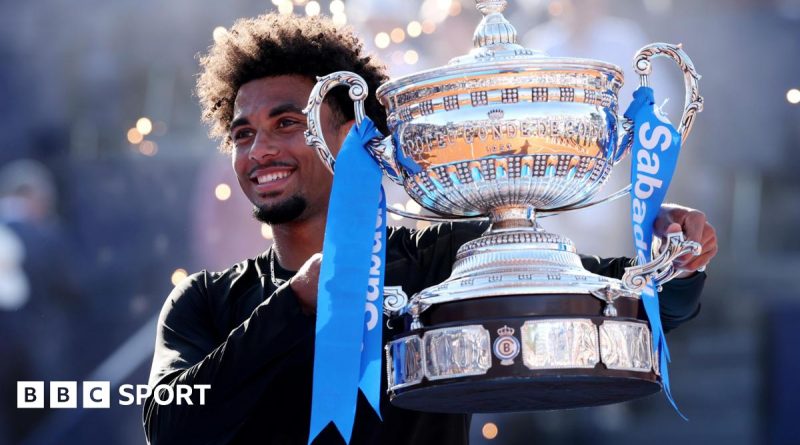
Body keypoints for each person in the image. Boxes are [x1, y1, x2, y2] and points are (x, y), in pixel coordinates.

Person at [143, 13, 717, 445]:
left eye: (287, 123)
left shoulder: (439, 258)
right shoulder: (202, 302)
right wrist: (295, 304)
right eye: (243, 135)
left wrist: (681, 258)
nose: (260, 149)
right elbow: (168, 426)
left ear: (347, 140)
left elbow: (641, 301)